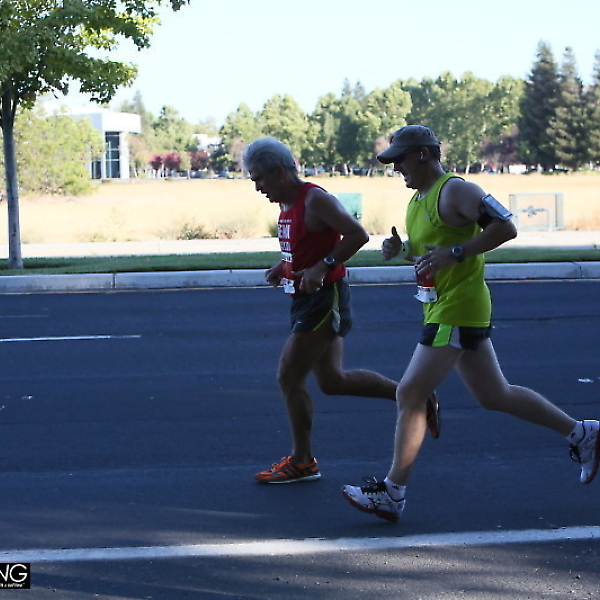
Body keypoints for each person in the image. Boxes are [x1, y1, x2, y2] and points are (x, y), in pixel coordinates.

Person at [342, 125, 600, 521]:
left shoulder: (455, 190)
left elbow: (506, 226)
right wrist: (402, 249)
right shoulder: (418, 200)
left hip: (457, 309)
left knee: (410, 392)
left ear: (423, 154)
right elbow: (434, 251)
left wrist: (459, 252)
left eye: (400, 159)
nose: (396, 168)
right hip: (440, 307)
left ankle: (393, 492)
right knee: (495, 395)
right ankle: (583, 433)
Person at [243, 136, 440, 484]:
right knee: (333, 381)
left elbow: (357, 234)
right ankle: (416, 396)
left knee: (288, 376)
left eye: (259, 178)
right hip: (305, 298)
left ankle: (303, 461)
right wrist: (283, 266)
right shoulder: (287, 204)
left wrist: (324, 266)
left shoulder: (314, 199)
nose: (257, 187)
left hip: (324, 298)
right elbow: (307, 247)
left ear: (280, 172)